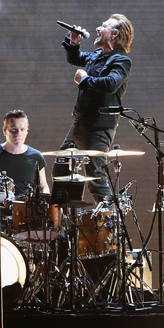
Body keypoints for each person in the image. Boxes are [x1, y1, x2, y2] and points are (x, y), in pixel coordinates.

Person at [56, 14, 133, 203]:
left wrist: (84, 79)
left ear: (114, 34)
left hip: (98, 129)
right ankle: (68, 222)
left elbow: (111, 84)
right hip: (80, 124)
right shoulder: (98, 55)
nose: (98, 28)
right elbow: (76, 58)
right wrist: (74, 43)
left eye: (103, 26)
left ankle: (110, 225)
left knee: (96, 180)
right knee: (61, 169)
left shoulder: (121, 60)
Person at [0, 109, 49, 200]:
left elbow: (44, 187)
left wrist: (43, 198)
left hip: (28, 212)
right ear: (5, 131)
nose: (18, 134)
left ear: (27, 131)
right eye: (13, 129)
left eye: (22, 129)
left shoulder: (36, 156)